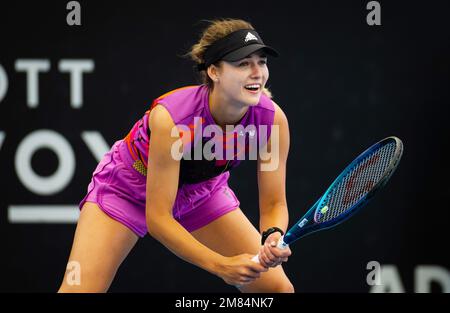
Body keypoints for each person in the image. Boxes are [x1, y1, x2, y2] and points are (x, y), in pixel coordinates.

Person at [58, 18, 294, 293]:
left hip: (202, 194)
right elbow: (158, 218)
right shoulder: (173, 119)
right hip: (127, 189)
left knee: (277, 290)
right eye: (243, 64)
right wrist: (221, 266)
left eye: (261, 62)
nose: (257, 72)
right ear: (214, 71)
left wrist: (272, 235)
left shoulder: (272, 120)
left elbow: (274, 203)